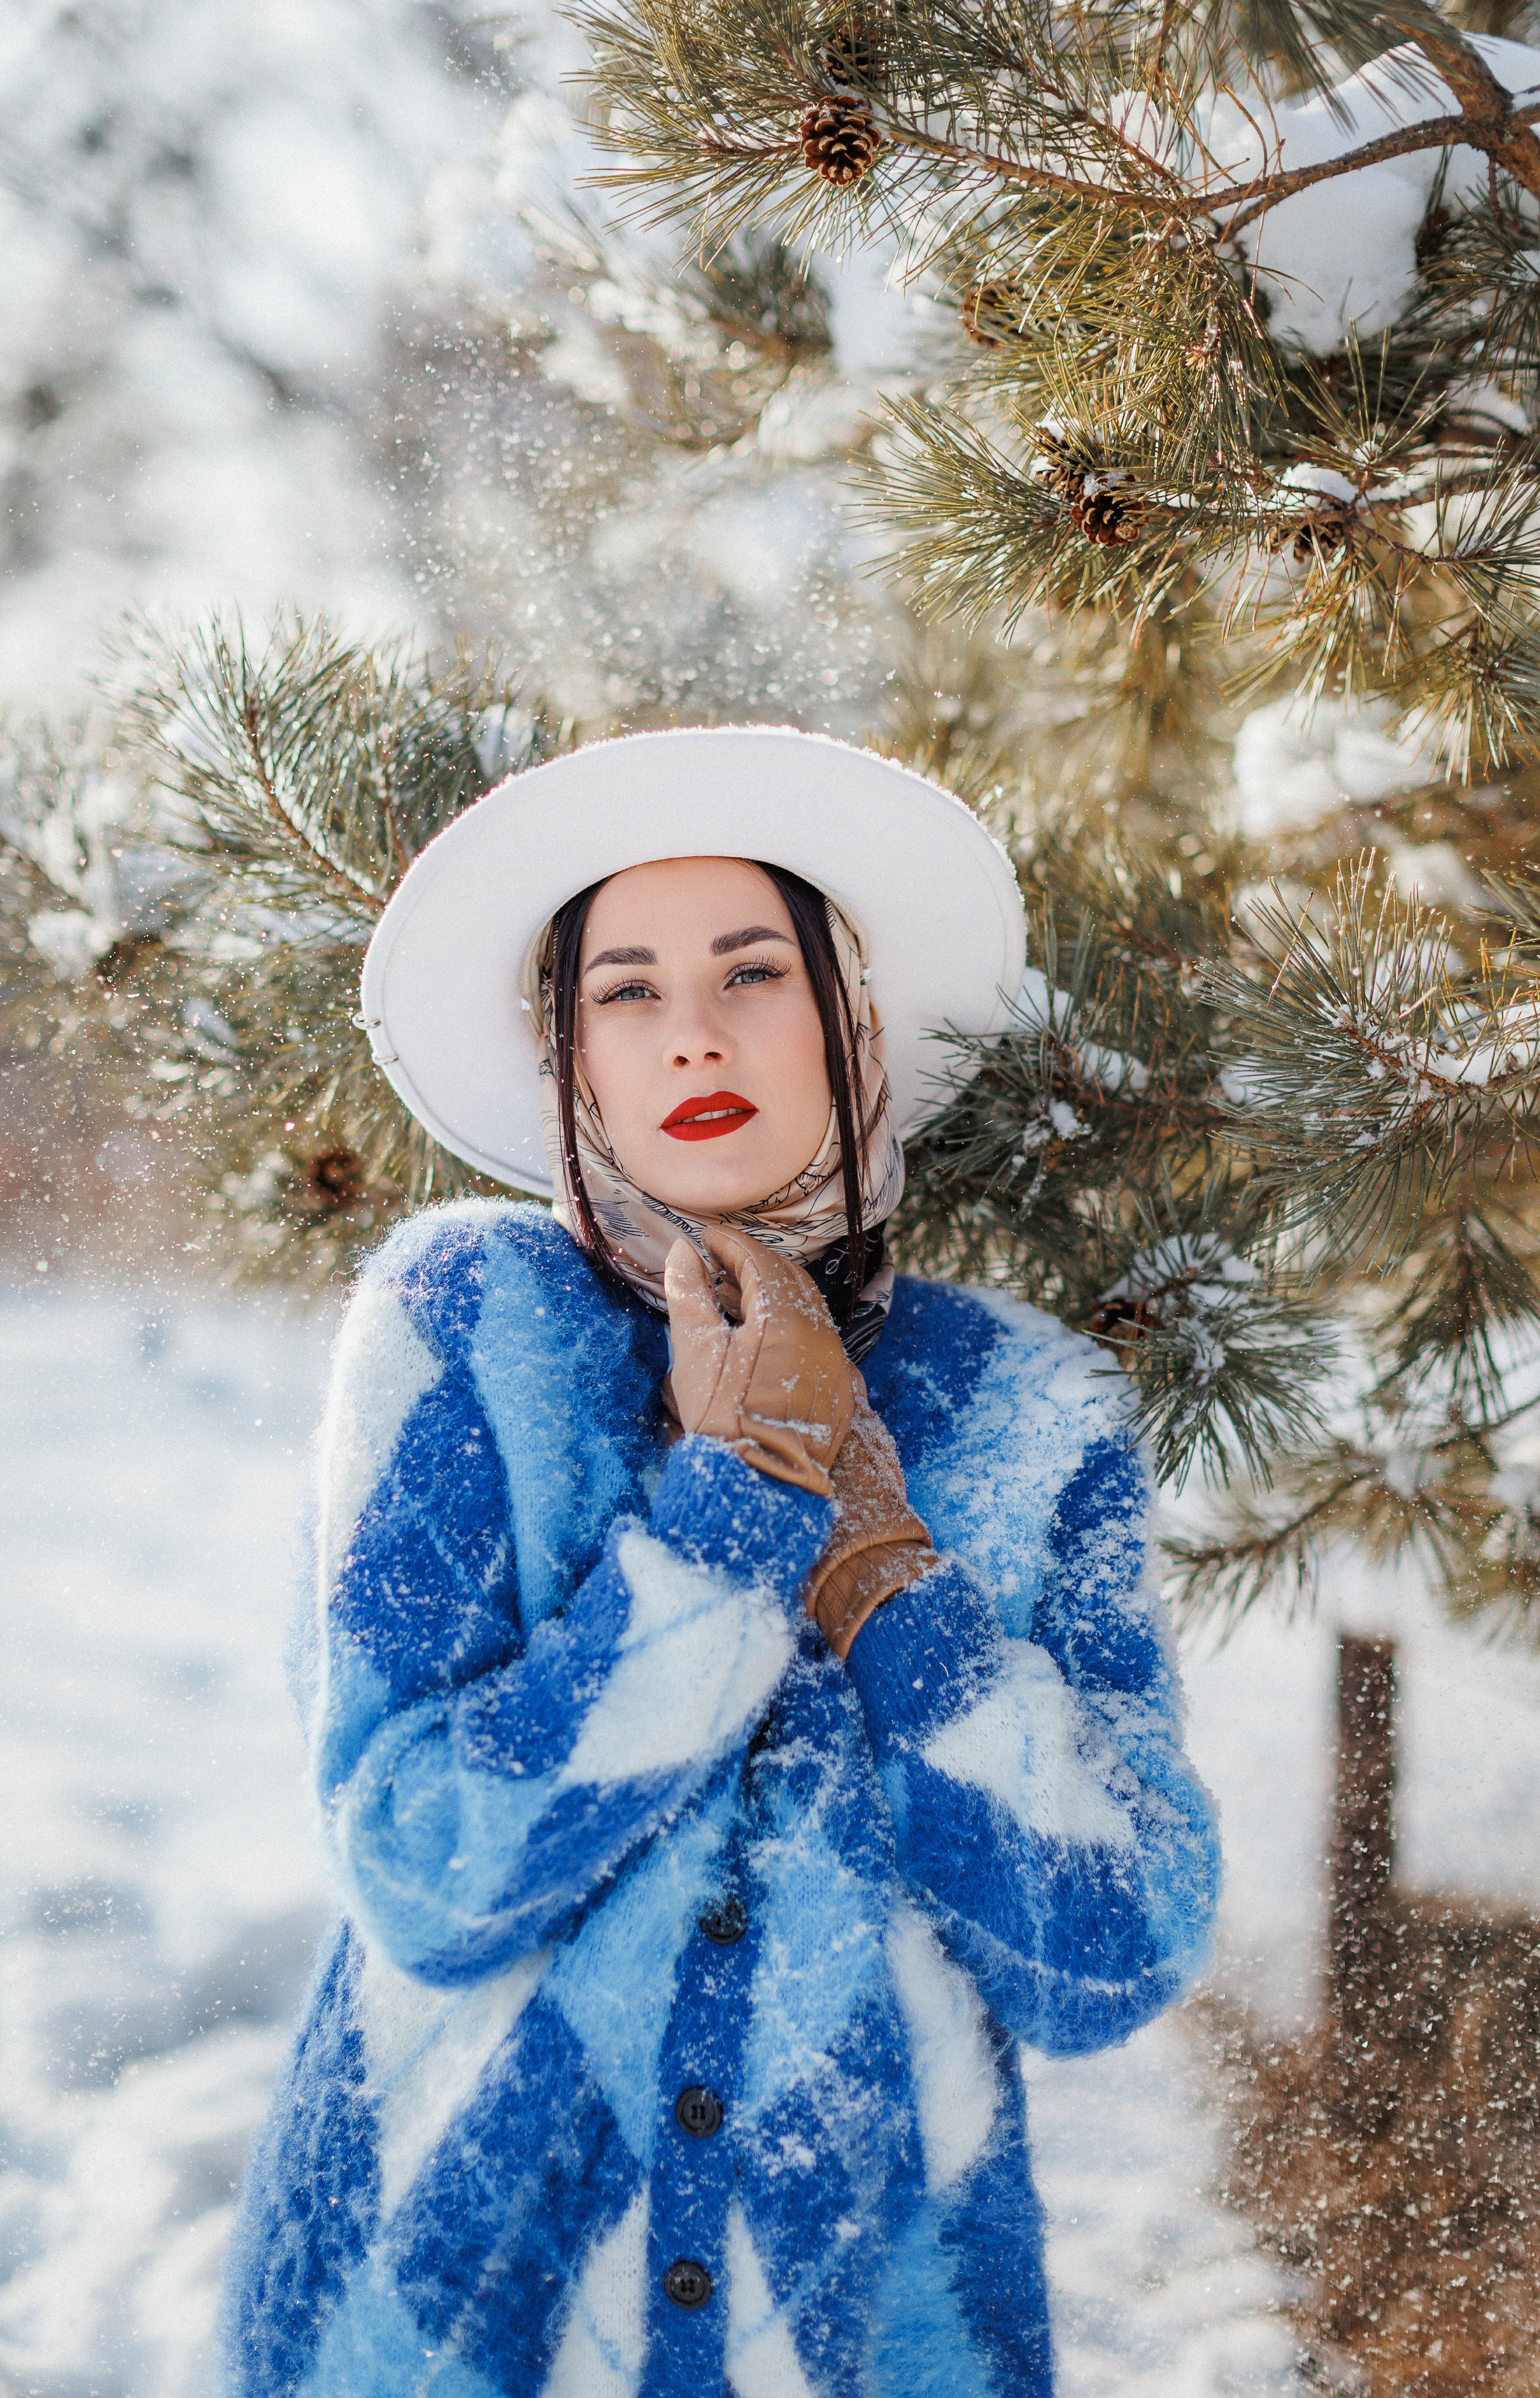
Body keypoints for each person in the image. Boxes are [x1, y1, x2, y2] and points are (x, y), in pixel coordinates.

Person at [217, 727, 1221, 2398]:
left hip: (873, 2346)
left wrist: (889, 1566)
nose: (693, 1030)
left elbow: (1105, 1949)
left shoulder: (1035, 1412)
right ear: (574, 1067)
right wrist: (739, 1504)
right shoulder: (467, 1331)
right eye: (625, 991)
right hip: (448, 2323)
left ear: (854, 1021)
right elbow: (426, 1873)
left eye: (755, 969)